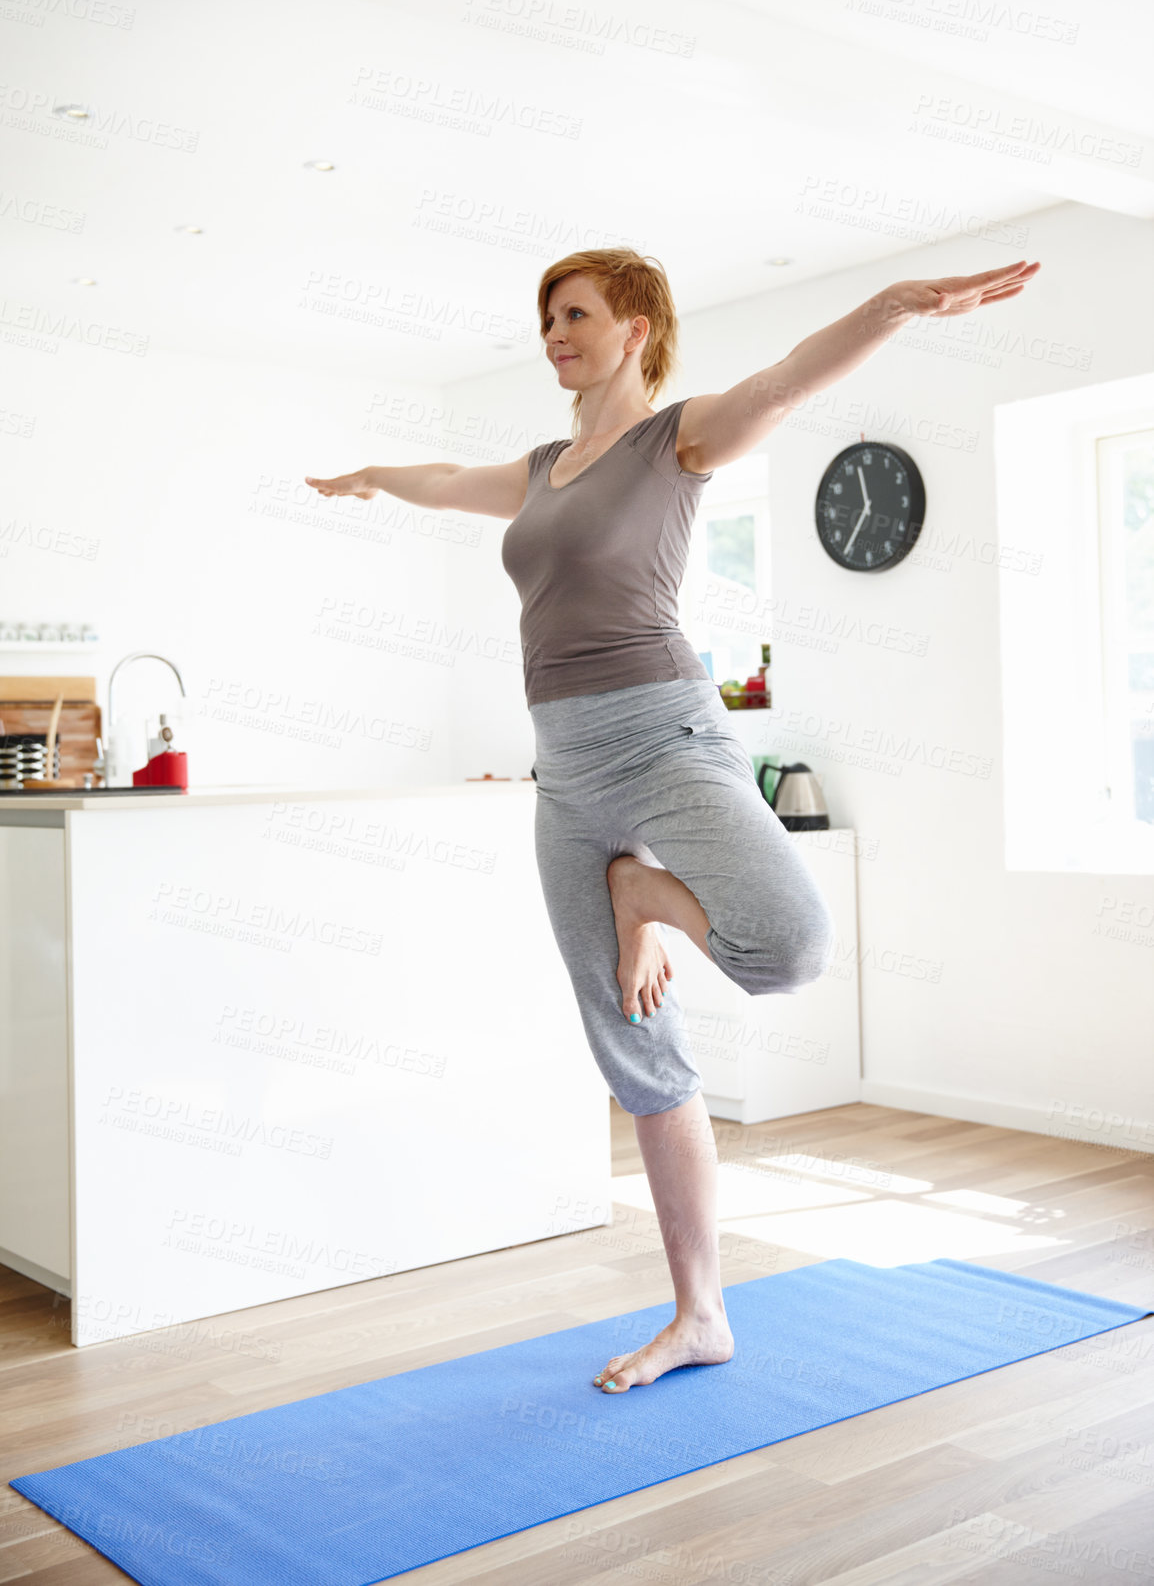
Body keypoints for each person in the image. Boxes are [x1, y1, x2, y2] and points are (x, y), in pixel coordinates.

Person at [306, 246, 1041, 1395]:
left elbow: (793, 377)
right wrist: (372, 476)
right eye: (545, 317)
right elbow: (451, 478)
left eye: (573, 313)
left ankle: (642, 891)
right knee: (636, 1050)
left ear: (635, 325)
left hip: (664, 736)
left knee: (787, 945)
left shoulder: (677, 439)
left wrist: (897, 303)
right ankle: (699, 1314)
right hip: (565, 769)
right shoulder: (546, 465)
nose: (553, 332)